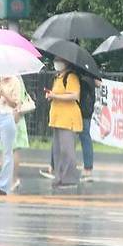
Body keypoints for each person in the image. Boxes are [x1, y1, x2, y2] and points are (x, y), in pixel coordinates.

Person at [46, 57, 82, 188]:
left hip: (68, 119)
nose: (56, 62)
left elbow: (75, 95)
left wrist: (55, 96)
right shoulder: (58, 77)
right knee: (58, 151)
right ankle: (59, 177)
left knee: (67, 151)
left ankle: (70, 179)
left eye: (59, 60)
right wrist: (51, 95)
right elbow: (58, 94)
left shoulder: (71, 77)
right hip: (57, 118)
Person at [0, 75, 30, 193]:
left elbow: (17, 103)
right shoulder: (5, 78)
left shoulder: (15, 80)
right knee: (7, 149)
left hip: (12, 117)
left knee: (11, 149)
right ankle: (9, 180)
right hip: (5, 117)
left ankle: (12, 179)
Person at [78, 75, 101, 182]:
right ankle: (88, 167)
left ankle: (87, 167)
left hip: (81, 108)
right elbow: (98, 83)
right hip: (87, 108)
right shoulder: (90, 73)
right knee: (85, 137)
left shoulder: (78, 74)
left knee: (82, 137)